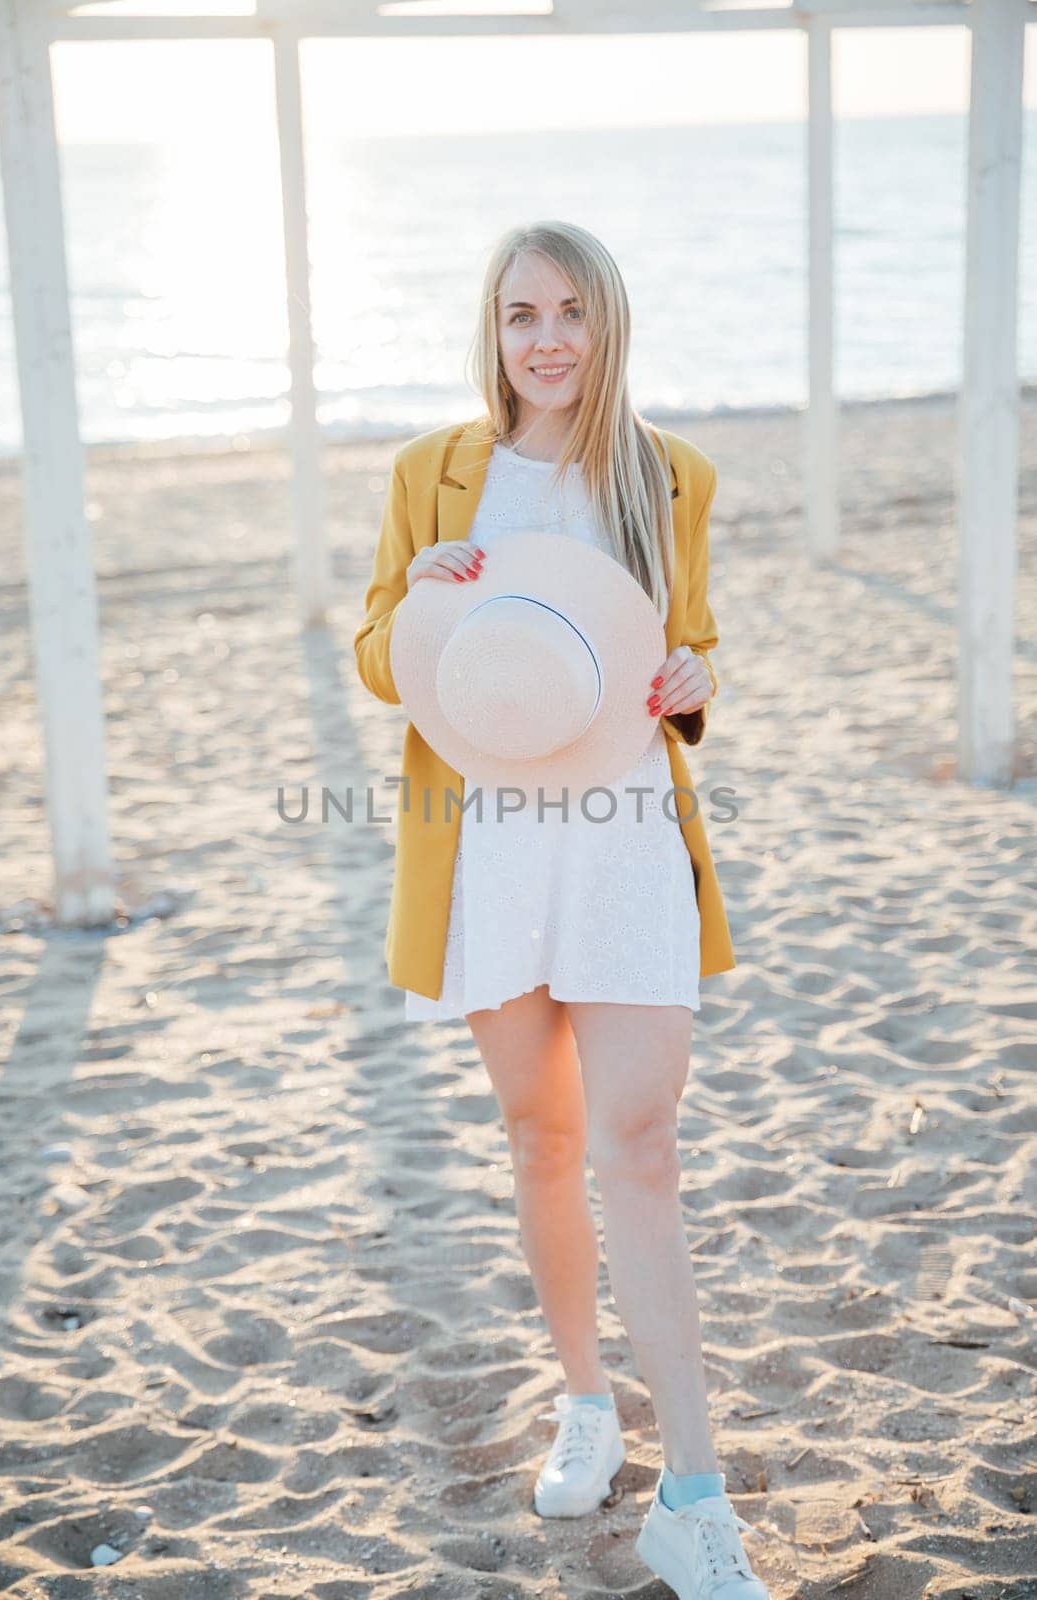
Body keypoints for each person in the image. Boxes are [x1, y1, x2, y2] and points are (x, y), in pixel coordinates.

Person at [354, 221, 769, 1599]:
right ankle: (586, 1400)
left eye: (573, 313)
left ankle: (695, 1498)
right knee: (543, 1133)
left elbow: (689, 650)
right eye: (523, 312)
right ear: (493, 328)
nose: (548, 339)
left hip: (625, 831)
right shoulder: (435, 475)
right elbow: (374, 654)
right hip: (492, 843)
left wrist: (695, 682)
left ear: (610, 326)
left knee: (639, 1143)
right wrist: (412, 600)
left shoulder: (670, 476)